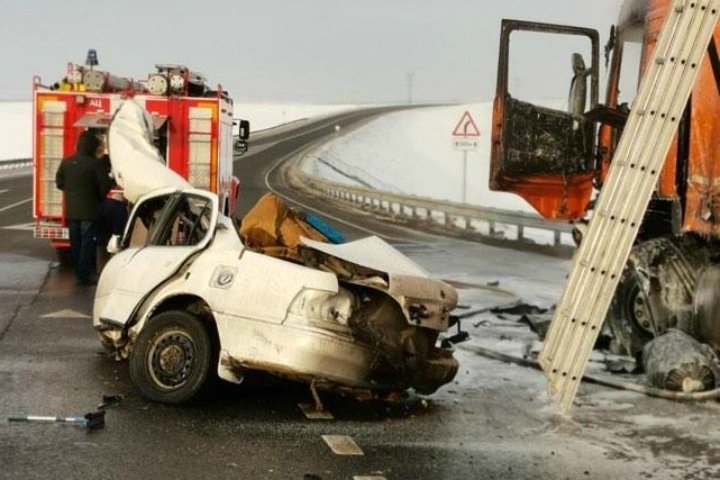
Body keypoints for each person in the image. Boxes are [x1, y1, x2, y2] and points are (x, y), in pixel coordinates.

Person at [56, 130, 113, 285]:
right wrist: (99, 196)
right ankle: (84, 275)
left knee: (76, 243)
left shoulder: (67, 162)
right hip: (90, 210)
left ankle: (79, 272)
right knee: (88, 243)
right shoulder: (95, 163)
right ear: (92, 146)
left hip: (72, 211)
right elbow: (105, 186)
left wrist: (72, 191)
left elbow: (59, 183)